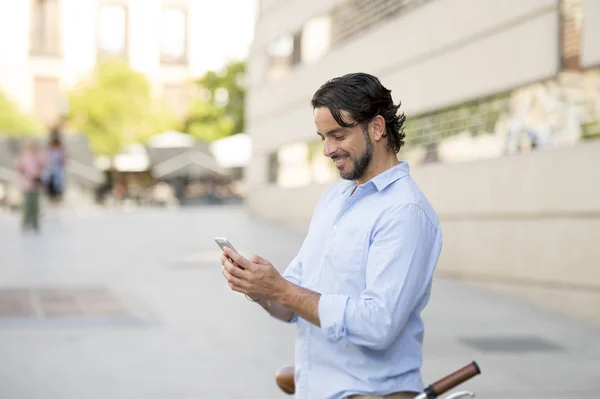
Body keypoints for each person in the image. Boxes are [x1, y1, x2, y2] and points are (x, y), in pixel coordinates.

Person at [220, 73, 442, 399]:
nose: (327, 150)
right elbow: (292, 304)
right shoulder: (334, 200)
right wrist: (258, 288)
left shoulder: (404, 211)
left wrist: (281, 289)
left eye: (338, 135)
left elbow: (378, 324)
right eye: (323, 137)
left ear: (377, 128)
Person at [16, 140, 46, 232]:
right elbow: (19, 168)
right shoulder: (23, 157)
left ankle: (34, 224)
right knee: (26, 205)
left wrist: (37, 176)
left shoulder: (39, 157)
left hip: (36, 185)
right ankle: (26, 224)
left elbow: (42, 167)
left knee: (35, 206)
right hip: (26, 185)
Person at [43, 135, 67, 206]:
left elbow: (64, 161)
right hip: (51, 170)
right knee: (49, 183)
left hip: (58, 170)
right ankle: (51, 198)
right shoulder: (50, 152)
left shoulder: (60, 152)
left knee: (58, 184)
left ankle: (56, 198)